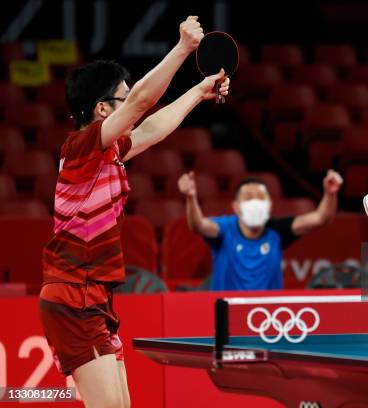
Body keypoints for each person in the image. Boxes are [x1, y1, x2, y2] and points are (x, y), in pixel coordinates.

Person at [38, 16, 229, 408]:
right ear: (103, 110)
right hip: (75, 297)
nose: (133, 106)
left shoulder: (110, 152)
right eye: (123, 99)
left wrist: (198, 91)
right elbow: (144, 103)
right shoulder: (79, 151)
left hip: (96, 298)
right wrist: (181, 49)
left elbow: (151, 128)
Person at [177, 169, 343, 290]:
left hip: (267, 316)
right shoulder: (224, 228)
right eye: (248, 197)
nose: (255, 202)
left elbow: (321, 218)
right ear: (236, 207)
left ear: (269, 205)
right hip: (226, 315)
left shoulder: (277, 230)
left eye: (261, 197)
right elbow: (198, 225)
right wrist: (191, 197)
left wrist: (330, 193)